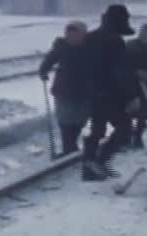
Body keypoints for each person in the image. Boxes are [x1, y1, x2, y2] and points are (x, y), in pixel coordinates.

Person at [81, 4, 140, 181]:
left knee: (97, 129)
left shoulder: (90, 37)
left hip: (92, 92)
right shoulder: (115, 41)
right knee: (124, 130)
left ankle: (89, 168)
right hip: (111, 94)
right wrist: (131, 96)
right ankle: (100, 161)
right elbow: (120, 72)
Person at [39, 20, 90, 156]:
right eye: (70, 34)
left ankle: (71, 144)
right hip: (64, 89)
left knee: (81, 119)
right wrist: (43, 71)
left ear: (84, 34)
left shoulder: (92, 47)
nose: (73, 37)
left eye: (76, 34)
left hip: (85, 90)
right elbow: (49, 60)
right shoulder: (61, 47)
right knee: (65, 120)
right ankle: (69, 147)